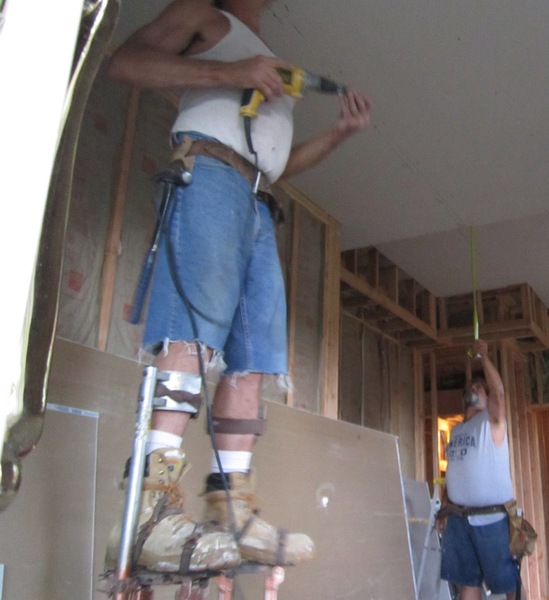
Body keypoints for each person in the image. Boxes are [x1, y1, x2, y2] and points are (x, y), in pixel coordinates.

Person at [103, 0, 372, 575]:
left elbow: (278, 164)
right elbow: (124, 63)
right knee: (192, 334)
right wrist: (230, 71)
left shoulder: (268, 59)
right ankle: (149, 511)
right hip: (207, 174)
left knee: (253, 361)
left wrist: (340, 134)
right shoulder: (203, 16)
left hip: (257, 198)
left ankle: (232, 510)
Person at [438, 339, 519, 600]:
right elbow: (455, 472)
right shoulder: (456, 431)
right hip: (459, 519)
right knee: (466, 582)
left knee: (507, 581)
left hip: (491, 519)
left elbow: (499, 393)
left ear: (487, 399)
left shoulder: (492, 423)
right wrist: (445, 507)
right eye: (471, 388)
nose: (474, 389)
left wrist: (484, 357)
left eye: (480, 388)